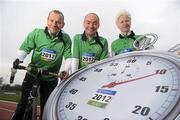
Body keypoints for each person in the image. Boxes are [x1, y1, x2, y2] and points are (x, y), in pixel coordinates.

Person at [11, 10, 71, 120]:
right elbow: (25, 48)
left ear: (63, 24)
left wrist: (66, 70)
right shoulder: (37, 33)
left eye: (58, 22)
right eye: (51, 21)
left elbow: (68, 57)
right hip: (32, 73)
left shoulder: (66, 39)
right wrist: (19, 59)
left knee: (47, 107)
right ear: (47, 21)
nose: (54, 24)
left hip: (51, 78)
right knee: (24, 103)